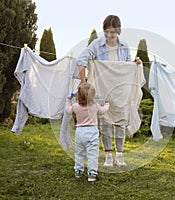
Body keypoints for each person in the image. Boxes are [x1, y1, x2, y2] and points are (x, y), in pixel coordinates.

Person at [77, 15, 141, 167]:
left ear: (118, 31)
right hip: (102, 87)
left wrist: (134, 63)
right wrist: (84, 83)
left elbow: (126, 65)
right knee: (104, 121)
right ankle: (108, 156)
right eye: (107, 32)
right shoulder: (96, 44)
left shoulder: (124, 46)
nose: (109, 36)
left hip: (120, 89)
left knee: (120, 121)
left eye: (113, 33)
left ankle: (119, 155)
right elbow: (81, 59)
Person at [65, 83, 110, 182]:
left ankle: (78, 171)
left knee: (79, 153)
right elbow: (103, 111)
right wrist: (107, 104)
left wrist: (68, 99)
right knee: (92, 154)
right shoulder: (95, 106)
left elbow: (68, 110)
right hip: (92, 131)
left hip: (80, 131)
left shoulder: (75, 106)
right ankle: (92, 173)